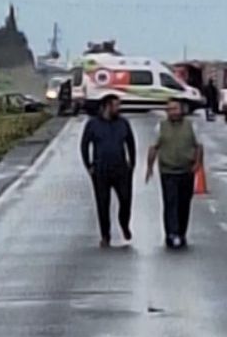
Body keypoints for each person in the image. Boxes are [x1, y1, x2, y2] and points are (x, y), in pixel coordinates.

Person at [80, 94, 137, 247]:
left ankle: (124, 224)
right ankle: (105, 235)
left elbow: (130, 143)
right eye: (116, 105)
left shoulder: (123, 123)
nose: (119, 108)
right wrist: (89, 165)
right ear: (106, 106)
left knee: (126, 200)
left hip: (121, 169)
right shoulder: (93, 124)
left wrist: (132, 164)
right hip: (101, 170)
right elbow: (85, 145)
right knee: (103, 204)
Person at [146, 98, 203, 249]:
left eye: (175, 109)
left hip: (186, 170)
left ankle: (181, 233)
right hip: (168, 171)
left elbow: (198, 146)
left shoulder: (191, 126)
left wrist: (197, 163)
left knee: (183, 204)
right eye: (169, 109)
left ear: (181, 110)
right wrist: (149, 166)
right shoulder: (161, 127)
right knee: (170, 203)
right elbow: (154, 147)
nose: (172, 112)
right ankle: (171, 234)